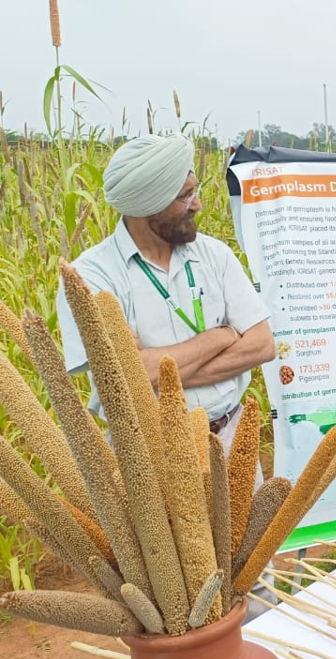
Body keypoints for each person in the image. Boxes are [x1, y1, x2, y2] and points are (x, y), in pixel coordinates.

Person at [57, 134, 274, 447]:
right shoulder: (90, 277)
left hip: (230, 438)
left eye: (194, 190)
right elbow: (123, 381)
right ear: (149, 205)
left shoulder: (214, 255)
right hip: (150, 451)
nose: (197, 204)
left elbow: (261, 345)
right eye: (185, 196)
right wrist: (222, 336)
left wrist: (157, 371)